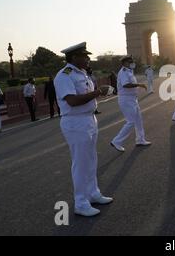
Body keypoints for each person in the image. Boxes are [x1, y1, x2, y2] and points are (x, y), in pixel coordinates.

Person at [54, 42, 113, 217]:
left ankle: (93, 193)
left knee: (91, 159)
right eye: (84, 56)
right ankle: (80, 202)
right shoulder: (64, 76)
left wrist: (96, 94)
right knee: (80, 163)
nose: (88, 59)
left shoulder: (82, 74)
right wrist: (97, 93)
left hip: (89, 119)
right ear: (74, 58)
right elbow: (71, 100)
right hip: (75, 122)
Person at [110, 56, 151, 153]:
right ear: (124, 63)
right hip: (126, 100)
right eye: (130, 61)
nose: (132, 63)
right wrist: (139, 85)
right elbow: (125, 85)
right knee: (131, 121)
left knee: (138, 120)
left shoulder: (129, 71)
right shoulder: (124, 72)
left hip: (132, 99)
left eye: (132, 61)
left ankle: (140, 140)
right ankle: (116, 141)